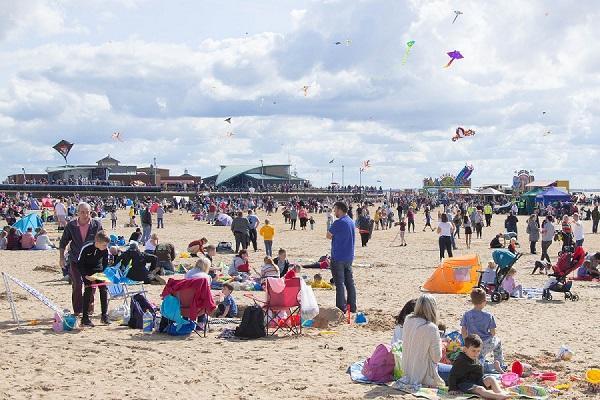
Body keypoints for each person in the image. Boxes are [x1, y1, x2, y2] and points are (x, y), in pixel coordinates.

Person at [59, 202, 104, 315]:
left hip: (92, 261)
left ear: (91, 212)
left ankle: (88, 308)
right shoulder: (71, 226)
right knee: (77, 284)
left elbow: (102, 240)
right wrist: (61, 258)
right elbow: (63, 241)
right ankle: (78, 310)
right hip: (75, 259)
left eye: (87, 212)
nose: (85, 215)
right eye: (82, 212)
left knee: (91, 285)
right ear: (78, 212)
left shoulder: (96, 225)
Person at [398, 294, 447, 388]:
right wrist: (440, 343)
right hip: (425, 374)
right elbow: (436, 358)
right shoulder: (431, 328)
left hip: (407, 371)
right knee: (463, 372)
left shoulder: (408, 319)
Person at [448, 334, 509, 399]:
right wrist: (452, 389)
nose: (476, 353)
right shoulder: (460, 360)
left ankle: (499, 393)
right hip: (465, 383)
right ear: (465, 349)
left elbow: (479, 372)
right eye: (473, 351)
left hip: (476, 380)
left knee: (491, 379)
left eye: (478, 351)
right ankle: (497, 397)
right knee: (480, 389)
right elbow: (452, 374)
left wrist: (484, 379)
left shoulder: (473, 357)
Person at [461, 288, 505, 373]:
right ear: (484, 302)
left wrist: (466, 342)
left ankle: (487, 364)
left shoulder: (467, 314)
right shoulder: (488, 316)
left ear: (472, 301)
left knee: (478, 360)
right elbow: (493, 333)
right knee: (498, 342)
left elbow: (463, 331)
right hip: (485, 343)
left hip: (472, 343)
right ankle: (500, 364)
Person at [326, 201, 357, 313]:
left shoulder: (339, 222)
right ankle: (352, 307)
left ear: (340, 209)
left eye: (335, 210)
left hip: (338, 257)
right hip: (349, 256)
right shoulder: (351, 221)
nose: (334, 212)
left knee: (339, 284)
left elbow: (328, 235)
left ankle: (341, 308)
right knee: (350, 283)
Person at [78, 232, 111, 327]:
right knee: (88, 291)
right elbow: (80, 264)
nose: (106, 247)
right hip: (87, 271)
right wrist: (86, 276)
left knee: (104, 290)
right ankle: (85, 318)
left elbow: (105, 262)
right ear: (97, 242)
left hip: (99, 272)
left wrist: (102, 272)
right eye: (104, 245)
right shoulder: (86, 248)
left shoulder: (105, 249)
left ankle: (104, 315)